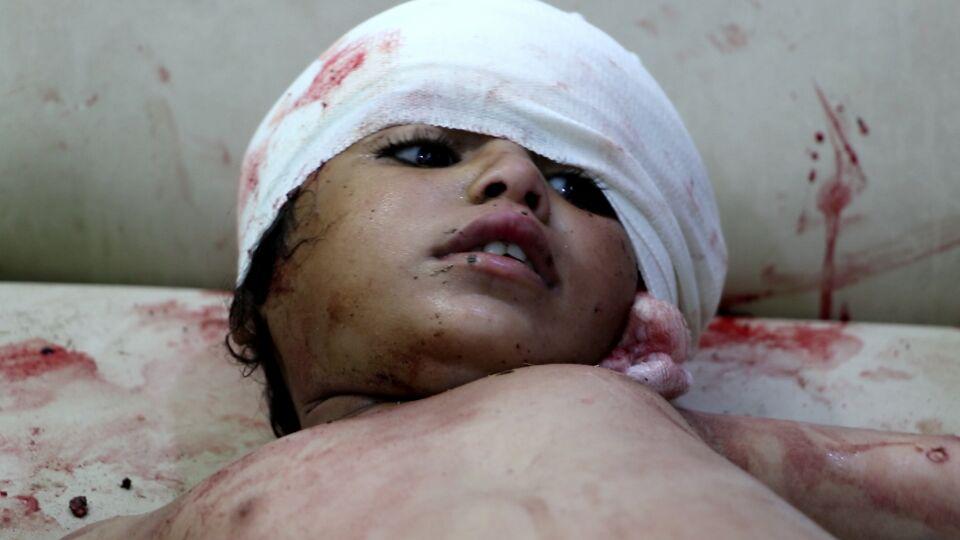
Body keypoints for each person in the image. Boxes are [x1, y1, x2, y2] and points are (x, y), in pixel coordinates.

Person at [66, 1, 958, 538]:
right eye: (423, 152)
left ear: (642, 329)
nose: (518, 178)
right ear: (263, 293)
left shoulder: (631, 421)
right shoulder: (216, 508)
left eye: (579, 187)